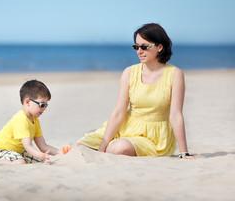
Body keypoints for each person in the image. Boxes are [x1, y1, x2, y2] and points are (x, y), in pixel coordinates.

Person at [76, 23, 195, 159]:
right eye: (136, 47)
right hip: (126, 126)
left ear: (160, 47)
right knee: (79, 146)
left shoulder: (175, 74)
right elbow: (119, 112)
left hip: (154, 137)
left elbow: (175, 116)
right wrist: (102, 146)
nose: (139, 51)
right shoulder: (129, 72)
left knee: (118, 148)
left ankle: (112, 147)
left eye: (144, 47)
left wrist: (184, 152)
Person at [0, 80, 60, 166]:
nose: (44, 108)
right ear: (27, 102)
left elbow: (43, 146)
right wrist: (42, 155)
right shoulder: (21, 119)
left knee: (39, 161)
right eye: (42, 105)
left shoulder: (35, 120)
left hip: (16, 153)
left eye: (46, 105)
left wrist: (61, 152)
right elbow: (28, 146)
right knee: (20, 162)